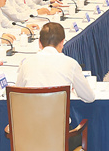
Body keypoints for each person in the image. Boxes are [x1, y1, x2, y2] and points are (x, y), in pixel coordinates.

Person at [15, 22, 95, 151]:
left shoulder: (26, 64)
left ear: (39, 43)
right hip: (60, 138)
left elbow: (17, 95)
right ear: (62, 42)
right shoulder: (71, 64)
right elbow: (89, 97)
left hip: (30, 136)